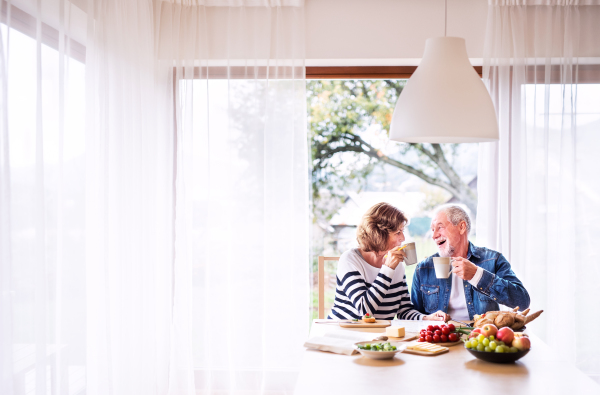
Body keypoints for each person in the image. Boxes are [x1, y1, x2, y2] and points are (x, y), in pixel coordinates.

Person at [328, 202, 447, 321]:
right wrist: (388, 269)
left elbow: (404, 310)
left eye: (402, 231)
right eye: (398, 232)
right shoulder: (350, 260)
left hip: (377, 336)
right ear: (379, 234)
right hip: (343, 334)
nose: (403, 238)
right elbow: (365, 311)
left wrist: (426, 318)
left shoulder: (397, 265)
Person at [411, 204, 530, 322]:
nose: (434, 235)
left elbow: (522, 301)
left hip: (482, 337)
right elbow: (414, 317)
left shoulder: (493, 260)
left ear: (462, 227)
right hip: (440, 339)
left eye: (440, 227)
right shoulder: (423, 269)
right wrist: (427, 319)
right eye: (432, 230)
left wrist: (478, 275)